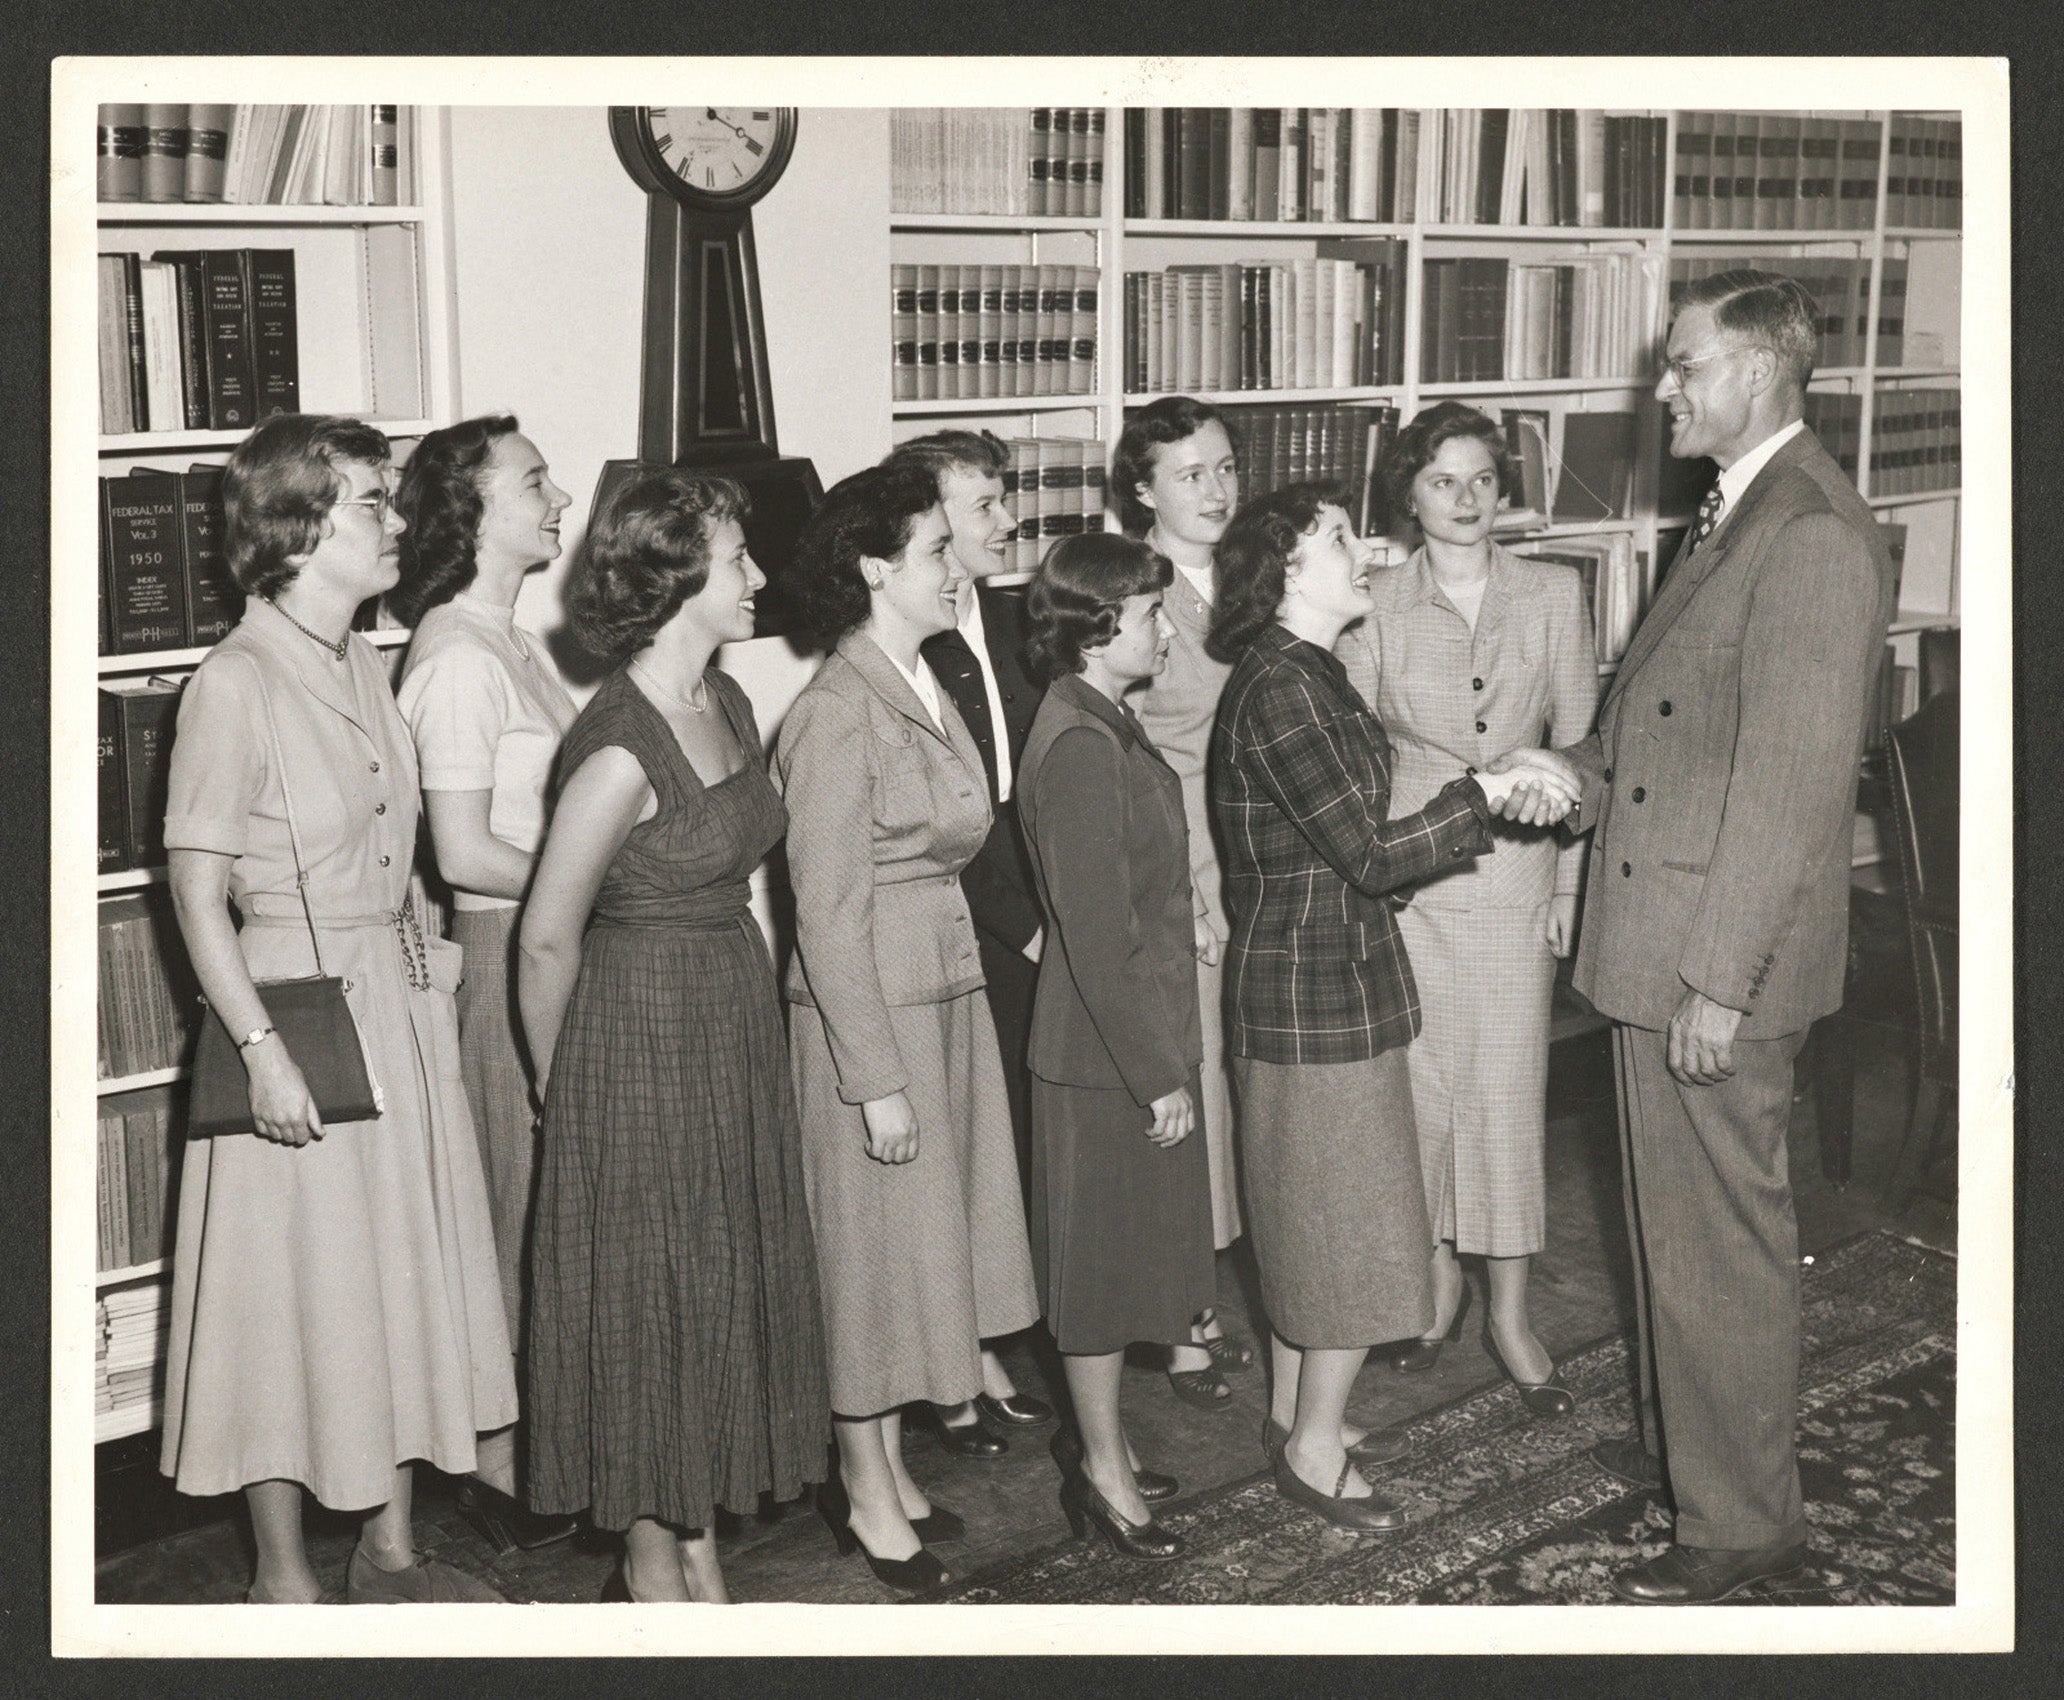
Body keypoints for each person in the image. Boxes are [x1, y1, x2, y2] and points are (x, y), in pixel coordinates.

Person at [1489, 271, 1897, 1604]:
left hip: (1711, 967)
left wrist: (1719, 985)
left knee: (1719, 1244)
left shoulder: (1812, 534)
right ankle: (1697, 1468)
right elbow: (1671, 740)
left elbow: (1785, 795)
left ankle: (1739, 1524)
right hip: (1656, 943)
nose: (1661, 389)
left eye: (1685, 367)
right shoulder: (1736, 511)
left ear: (1766, 375)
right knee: (1678, 1236)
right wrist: (1570, 767)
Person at [159, 412, 515, 1603]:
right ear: (299, 524)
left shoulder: (366, 655)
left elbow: (393, 835)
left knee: (396, 1278)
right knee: (285, 1296)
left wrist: (426, 938)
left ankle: (394, 1546)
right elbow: (196, 892)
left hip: (392, 1007)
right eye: (374, 499)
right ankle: (282, 1578)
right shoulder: (234, 678)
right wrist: (260, 1050)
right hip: (291, 1016)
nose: (399, 521)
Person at [1205, 484, 1576, 1532]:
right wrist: (1489, 795)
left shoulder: (1307, 672)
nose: (1362, 550)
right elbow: (1368, 854)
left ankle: (1295, 1415)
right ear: (1285, 570)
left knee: (1324, 1218)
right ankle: (1314, 1446)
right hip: (1308, 999)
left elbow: (1356, 841)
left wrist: (1490, 780)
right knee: (1351, 1229)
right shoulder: (1283, 686)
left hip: (1335, 986)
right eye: (1335, 539)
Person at [517, 468, 829, 1604]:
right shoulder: (615, 747)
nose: (756, 576)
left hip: (727, 1011)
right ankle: (654, 1559)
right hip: (633, 1035)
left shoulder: (731, 700)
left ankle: (695, 1522)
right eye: (738, 559)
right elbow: (547, 939)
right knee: (652, 1295)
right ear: (675, 577)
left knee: (717, 1276)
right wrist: (569, 1095)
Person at [774, 462, 1040, 1592]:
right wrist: (871, 1075)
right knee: (871, 1267)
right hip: (871, 1012)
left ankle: (884, 1468)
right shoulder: (836, 710)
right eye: (937, 547)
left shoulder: (923, 677)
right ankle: (866, 1487)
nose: (956, 566)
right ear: (878, 568)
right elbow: (825, 915)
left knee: (914, 1256)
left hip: (939, 989)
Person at [1337, 403, 1598, 1415]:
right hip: (1411, 882)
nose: (1465, 498)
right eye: (1443, 480)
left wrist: (1569, 886)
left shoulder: (1552, 592)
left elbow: (1582, 749)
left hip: (1516, 884)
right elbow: (1360, 753)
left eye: (1483, 479)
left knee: (1506, 1093)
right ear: (1408, 492)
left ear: (1505, 489)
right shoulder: (1373, 603)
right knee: (1421, 1095)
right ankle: (1435, 1276)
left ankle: (1511, 1309)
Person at [391, 415, 582, 1553]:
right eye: (535, 480)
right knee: (516, 1202)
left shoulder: (508, 639)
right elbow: (461, 852)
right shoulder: (459, 656)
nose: (557, 495)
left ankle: (533, 1437)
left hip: (545, 938)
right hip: (509, 949)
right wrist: (594, 888)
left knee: (546, 1197)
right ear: (470, 512)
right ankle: (498, 1457)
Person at [1015, 532, 1216, 1563]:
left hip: (1124, 1033)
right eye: (1147, 612)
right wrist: (1156, 1073)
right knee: (1095, 1279)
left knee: (1121, 1263)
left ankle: (1110, 1446)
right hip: (1104, 1052)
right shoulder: (1082, 744)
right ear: (1097, 630)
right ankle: (1098, 1467)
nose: (1165, 627)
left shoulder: (1099, 717)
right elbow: (1096, 936)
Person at [894, 430, 1055, 1454]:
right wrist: (1028, 925)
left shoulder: (1019, 616)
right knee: (956, 1145)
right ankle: (961, 1361)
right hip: (965, 922)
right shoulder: (897, 644)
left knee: (1014, 1144)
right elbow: (943, 819)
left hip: (1035, 908)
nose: (1007, 522)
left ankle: (1002, 1326)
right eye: (983, 505)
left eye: (1005, 500)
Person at [1113, 395, 1250, 1407]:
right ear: (1142, 489)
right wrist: (1180, 894)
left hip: (1267, 856)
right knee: (1193, 1088)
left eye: (1224, 467)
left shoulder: (1259, 579)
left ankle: (1225, 1283)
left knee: (1253, 1087)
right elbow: (1125, 755)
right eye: (1190, 472)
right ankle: (1185, 1318)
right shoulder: (1134, 590)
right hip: (1187, 863)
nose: (1215, 489)